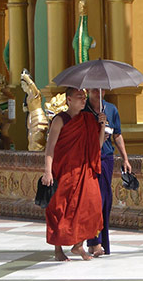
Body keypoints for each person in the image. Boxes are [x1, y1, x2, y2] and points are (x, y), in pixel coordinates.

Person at [42, 88, 106, 261]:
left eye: (84, 97)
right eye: (79, 97)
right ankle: (58, 250)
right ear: (69, 100)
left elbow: (97, 147)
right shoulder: (60, 120)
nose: (83, 100)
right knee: (60, 209)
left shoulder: (87, 119)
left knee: (91, 207)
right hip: (63, 172)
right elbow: (50, 147)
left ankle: (78, 245)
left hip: (84, 171)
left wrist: (102, 127)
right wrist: (47, 171)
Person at [84, 89, 132, 257]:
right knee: (94, 199)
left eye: (102, 88)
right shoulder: (84, 111)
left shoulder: (110, 109)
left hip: (106, 158)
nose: (99, 92)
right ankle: (93, 242)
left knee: (105, 200)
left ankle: (100, 242)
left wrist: (125, 158)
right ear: (88, 90)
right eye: (95, 89)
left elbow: (117, 135)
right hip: (88, 159)